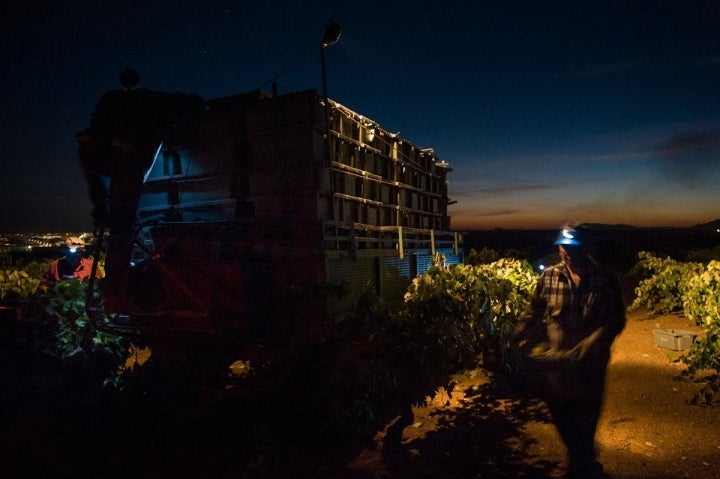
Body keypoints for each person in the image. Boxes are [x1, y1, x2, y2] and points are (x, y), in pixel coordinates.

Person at [514, 222, 626, 479]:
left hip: (591, 365)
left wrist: (592, 343)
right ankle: (584, 462)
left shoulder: (605, 278)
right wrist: (514, 338)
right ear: (559, 248)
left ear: (585, 247)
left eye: (573, 246)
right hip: (557, 367)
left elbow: (616, 320)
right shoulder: (549, 277)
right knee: (562, 417)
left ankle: (581, 467)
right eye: (563, 246)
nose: (568, 251)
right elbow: (533, 313)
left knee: (586, 421)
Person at [38, 237, 103, 292]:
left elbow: (100, 286)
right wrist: (56, 290)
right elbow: (42, 286)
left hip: (83, 304)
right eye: (69, 253)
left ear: (82, 252)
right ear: (65, 252)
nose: (73, 257)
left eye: (77, 253)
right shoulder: (54, 266)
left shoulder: (91, 266)